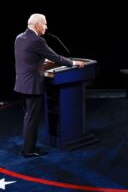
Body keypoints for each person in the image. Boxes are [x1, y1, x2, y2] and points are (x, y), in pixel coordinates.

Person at [14, 13, 85, 158]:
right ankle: (29, 150)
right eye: (45, 24)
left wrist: (41, 60)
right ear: (37, 25)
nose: (46, 27)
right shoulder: (37, 40)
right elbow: (56, 57)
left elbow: (27, 58)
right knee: (32, 118)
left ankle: (28, 147)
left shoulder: (19, 38)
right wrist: (73, 63)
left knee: (28, 117)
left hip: (22, 84)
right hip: (32, 85)